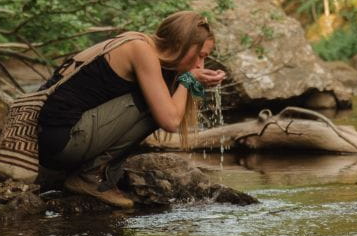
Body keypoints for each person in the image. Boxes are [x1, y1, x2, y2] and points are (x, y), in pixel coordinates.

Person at [37, 11, 226, 208]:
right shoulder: (140, 50)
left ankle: (93, 172)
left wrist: (193, 82)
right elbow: (170, 120)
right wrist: (189, 80)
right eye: (200, 56)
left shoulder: (139, 42)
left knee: (160, 99)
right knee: (156, 104)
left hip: (53, 139)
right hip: (61, 142)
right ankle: (89, 176)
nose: (199, 64)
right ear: (180, 44)